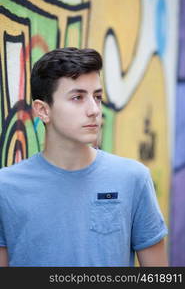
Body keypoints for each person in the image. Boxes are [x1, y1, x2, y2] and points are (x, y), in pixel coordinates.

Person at [0, 47, 168, 267]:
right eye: (78, 97)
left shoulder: (133, 178)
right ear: (43, 110)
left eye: (97, 97)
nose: (94, 110)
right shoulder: (6, 187)